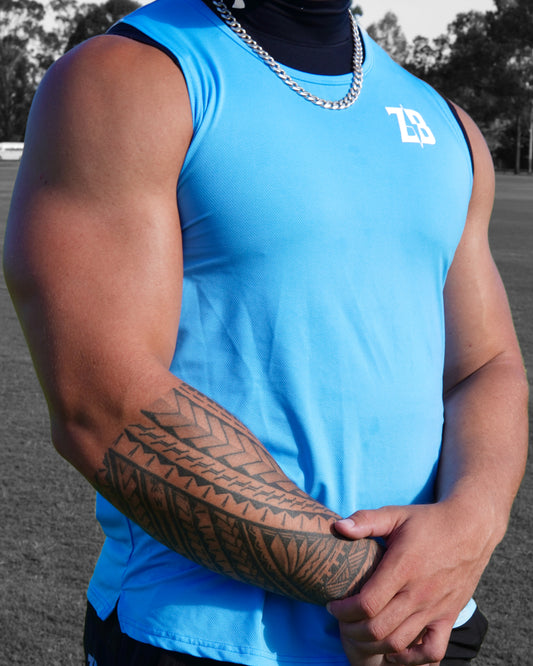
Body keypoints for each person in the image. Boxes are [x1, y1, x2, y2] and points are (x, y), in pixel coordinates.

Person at [3, 0, 528, 664]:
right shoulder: (130, 77)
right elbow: (101, 404)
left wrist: (472, 522)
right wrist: (379, 591)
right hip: (202, 639)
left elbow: (485, 365)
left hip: (418, 630)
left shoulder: (446, 125)